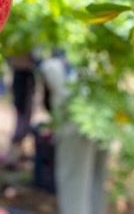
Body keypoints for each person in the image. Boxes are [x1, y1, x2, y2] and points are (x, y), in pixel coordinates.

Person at [40, 49, 107, 214]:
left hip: (76, 128)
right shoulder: (100, 57)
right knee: (94, 182)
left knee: (74, 184)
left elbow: (57, 97)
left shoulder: (53, 66)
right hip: (102, 125)